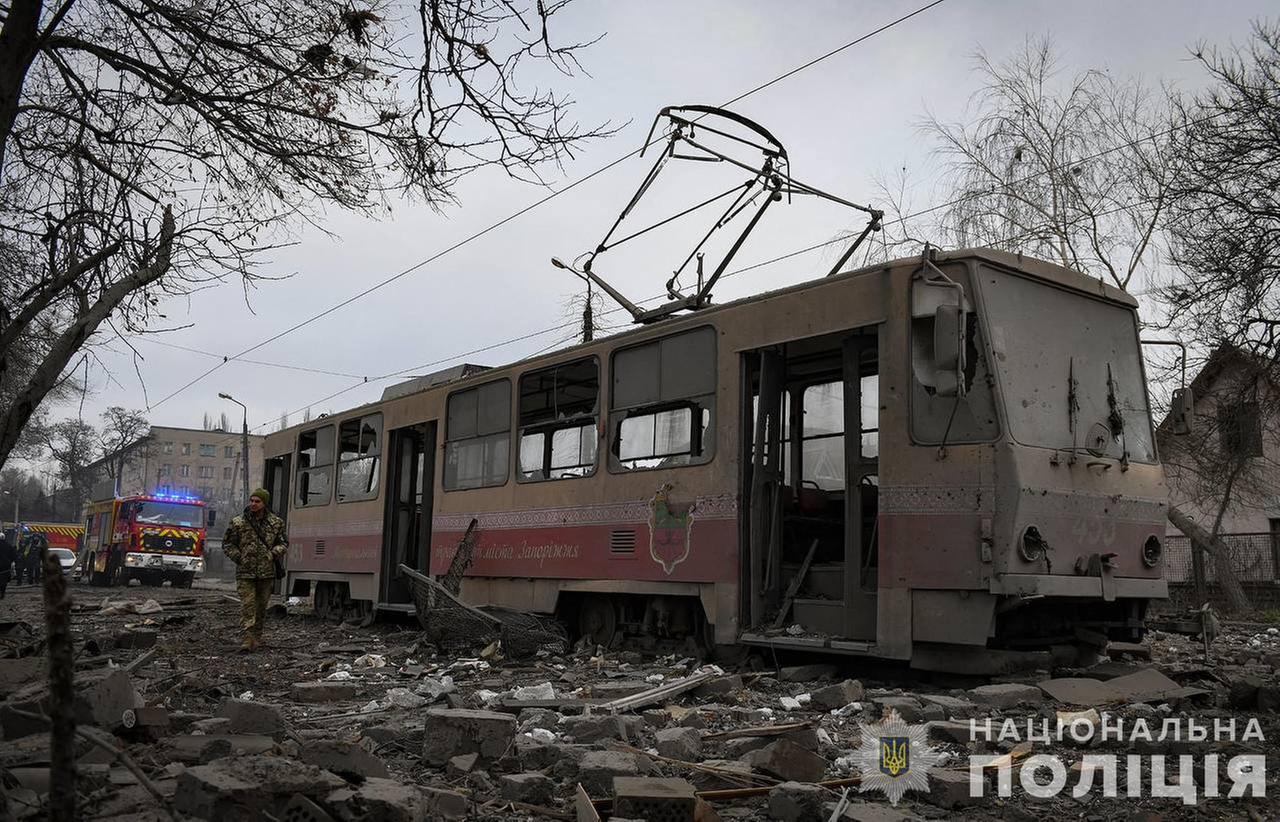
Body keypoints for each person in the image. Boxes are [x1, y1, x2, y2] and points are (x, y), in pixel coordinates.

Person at [222, 488, 287, 652]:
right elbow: (228, 544)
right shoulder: (238, 522)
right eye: (251, 500)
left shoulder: (276, 523)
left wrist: (273, 553)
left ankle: (256, 638)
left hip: (266, 573)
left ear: (264, 503)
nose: (253, 504)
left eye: (257, 501)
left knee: (261, 607)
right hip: (245, 573)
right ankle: (247, 640)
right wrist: (239, 557)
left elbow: (284, 543)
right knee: (248, 606)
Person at [0, 532, 15, 598]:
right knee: (4, 580)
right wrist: (10, 562)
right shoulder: (9, 545)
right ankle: (2, 593)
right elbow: (13, 555)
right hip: (6, 566)